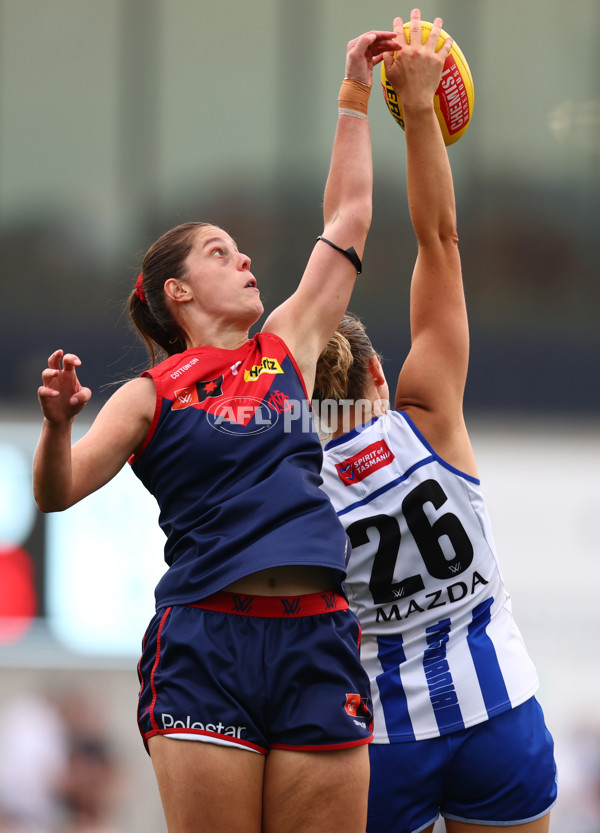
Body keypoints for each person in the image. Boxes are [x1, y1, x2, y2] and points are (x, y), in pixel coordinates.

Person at [32, 26, 404, 833]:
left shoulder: (289, 346)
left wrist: (354, 90)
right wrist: (59, 426)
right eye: (219, 251)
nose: (243, 261)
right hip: (206, 641)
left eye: (240, 251)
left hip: (317, 638)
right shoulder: (148, 392)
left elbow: (350, 212)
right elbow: (57, 492)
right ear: (178, 292)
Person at [314, 11, 558, 833]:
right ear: (380, 372)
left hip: (384, 741)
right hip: (497, 713)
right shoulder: (426, 418)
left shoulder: (287, 478)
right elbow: (440, 241)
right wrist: (420, 111)